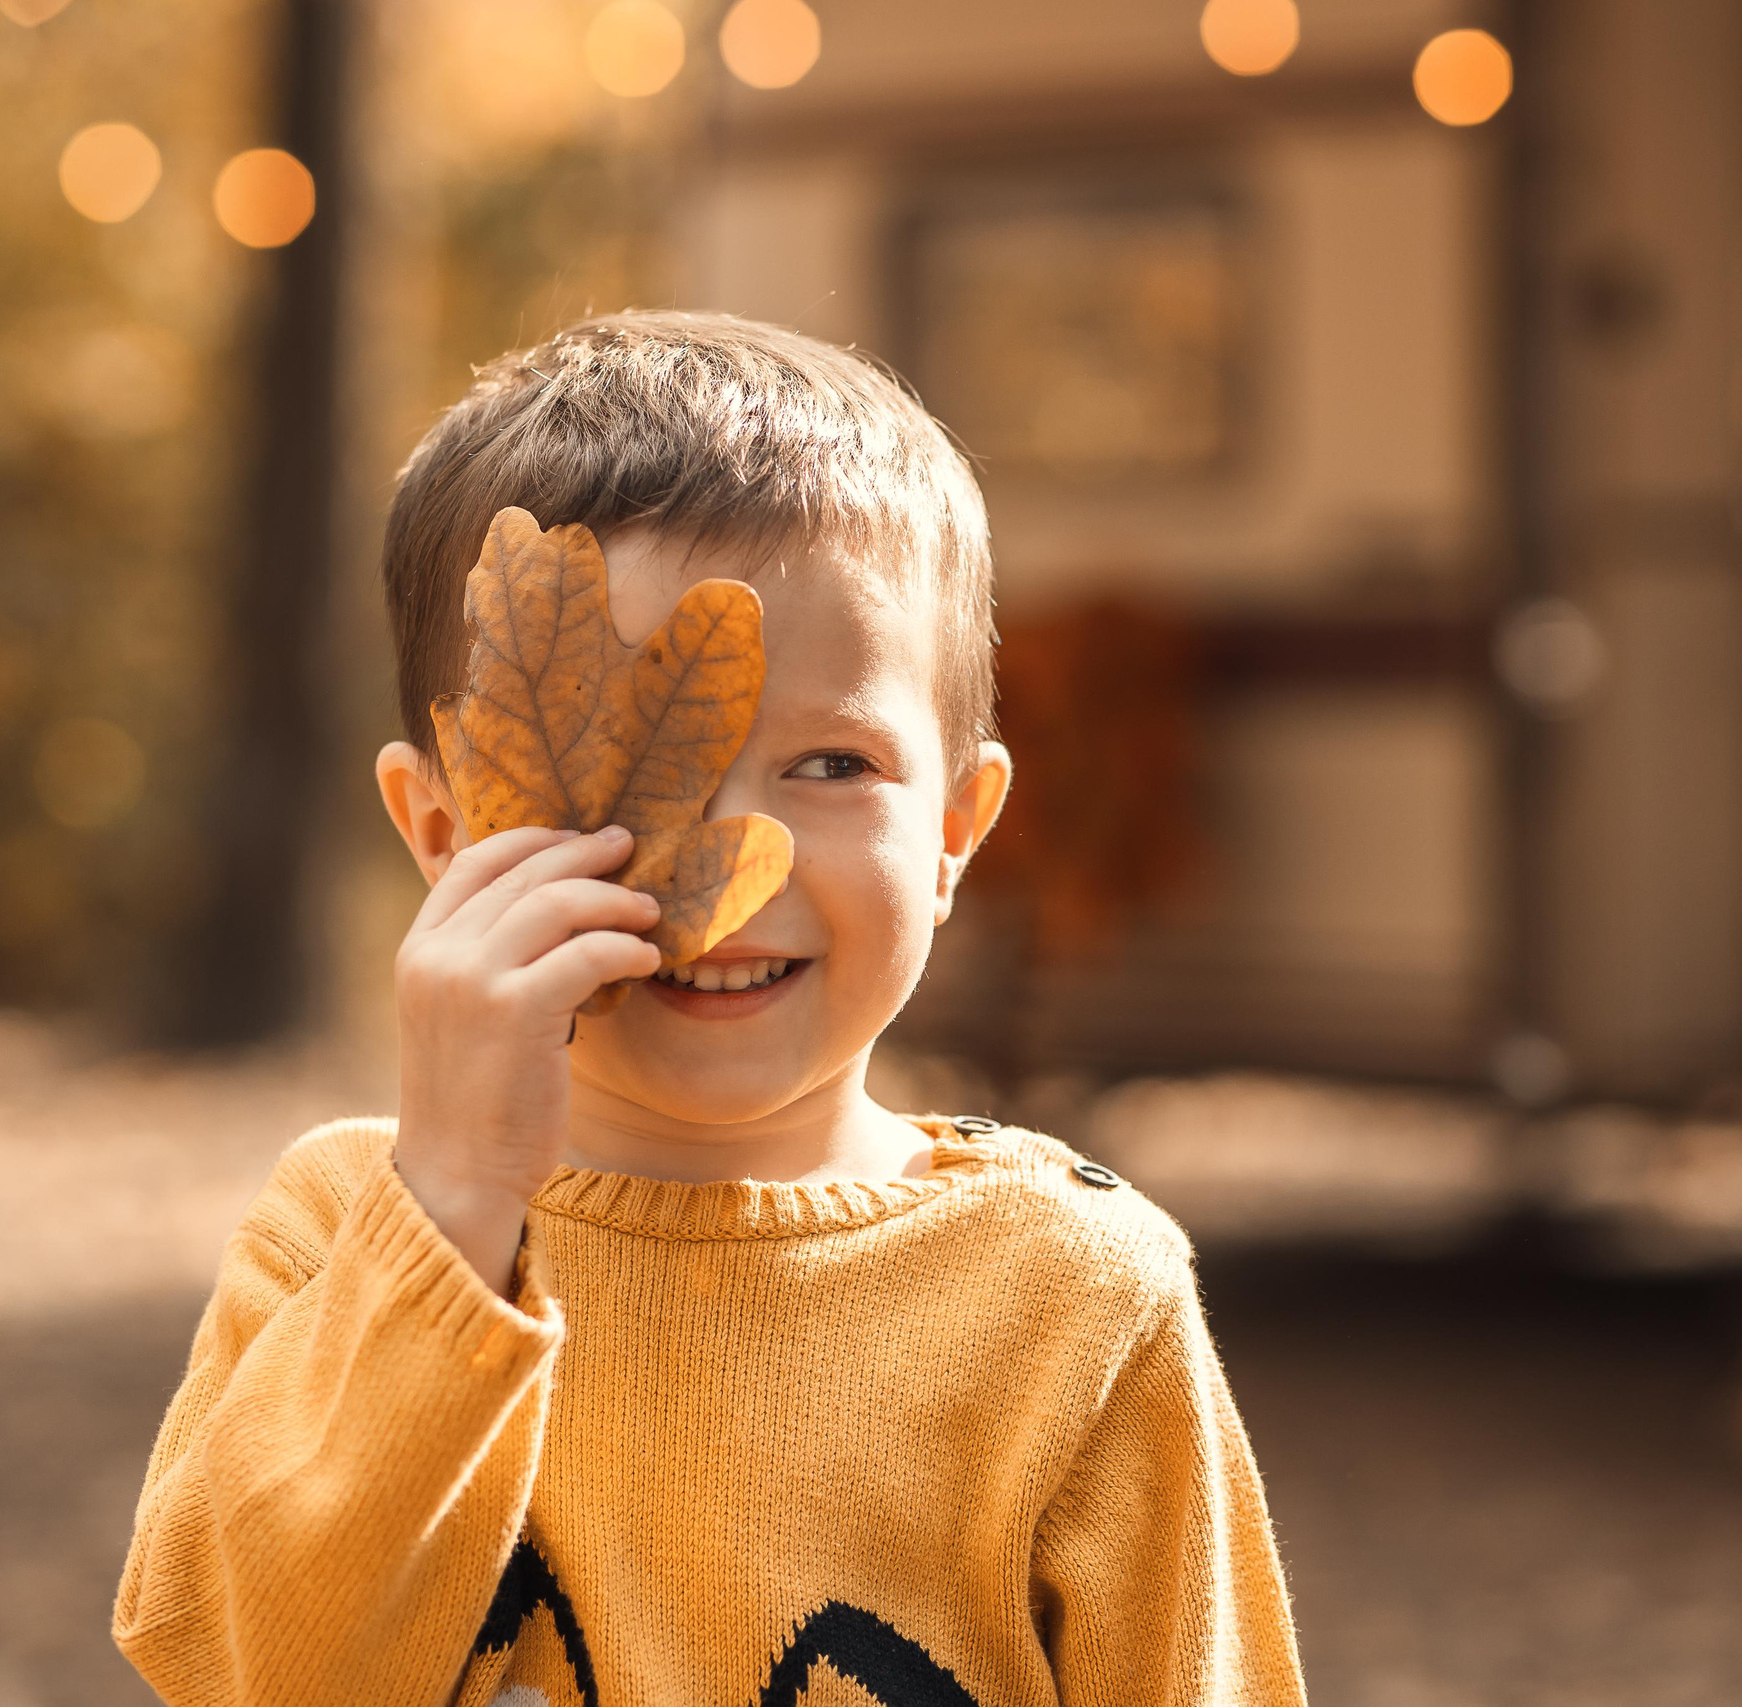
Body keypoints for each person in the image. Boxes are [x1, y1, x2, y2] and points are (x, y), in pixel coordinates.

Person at [111, 311, 1305, 1706]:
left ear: (959, 827)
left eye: (832, 764)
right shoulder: (340, 1232)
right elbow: (246, 1672)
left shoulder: (1077, 1295)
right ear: (442, 833)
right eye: (622, 784)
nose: (731, 875)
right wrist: (452, 1202)